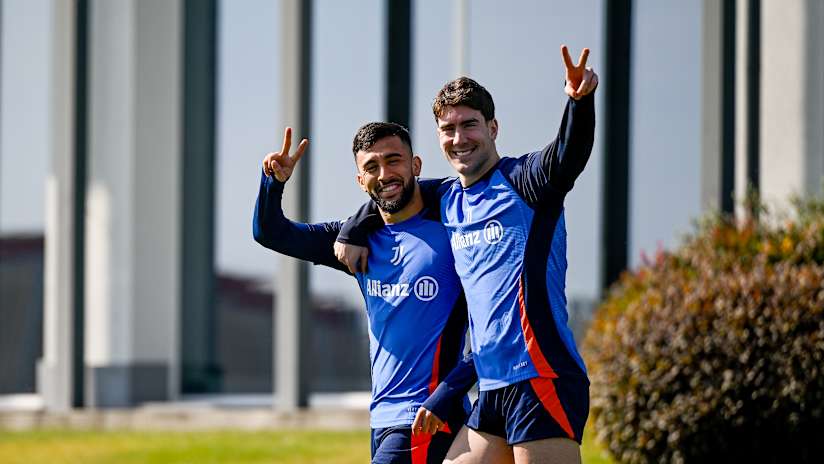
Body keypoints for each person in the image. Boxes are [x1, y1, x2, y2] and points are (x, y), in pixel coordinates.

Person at [335, 46, 598, 464]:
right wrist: (355, 226)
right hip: (490, 387)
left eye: (469, 125)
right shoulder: (446, 197)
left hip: (540, 374)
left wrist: (578, 104)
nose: (459, 138)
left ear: (493, 127)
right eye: (447, 128)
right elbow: (391, 189)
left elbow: (568, 156)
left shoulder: (525, 180)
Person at [253, 123, 478, 464]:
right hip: (382, 420)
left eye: (394, 161)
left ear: (416, 165)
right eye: (372, 167)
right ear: (360, 181)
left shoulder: (451, 231)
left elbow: (491, 327)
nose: (385, 174)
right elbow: (271, 233)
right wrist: (273, 183)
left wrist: (448, 394)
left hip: (425, 417)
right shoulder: (358, 244)